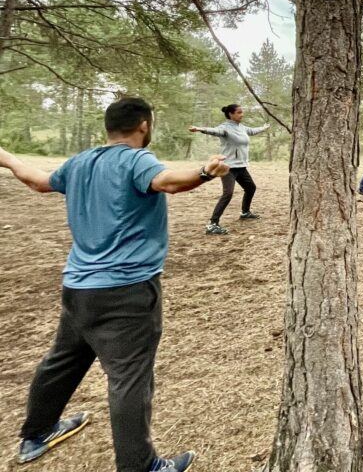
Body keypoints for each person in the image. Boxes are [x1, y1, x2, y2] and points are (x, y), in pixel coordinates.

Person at [0, 97, 230, 472]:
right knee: (129, 379)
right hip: (127, 292)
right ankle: (140, 467)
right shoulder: (137, 160)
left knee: (62, 362)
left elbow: (38, 182)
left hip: (78, 289)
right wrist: (204, 172)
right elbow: (167, 182)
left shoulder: (81, 161)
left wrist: (7, 157)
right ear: (144, 125)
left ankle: (35, 435)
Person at [188, 104, 269, 235]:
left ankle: (245, 212)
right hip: (229, 167)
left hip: (241, 166)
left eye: (242, 112)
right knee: (228, 194)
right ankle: (212, 224)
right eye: (239, 112)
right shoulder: (224, 128)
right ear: (231, 114)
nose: (242, 114)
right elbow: (214, 131)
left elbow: (253, 131)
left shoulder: (241, 127)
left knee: (250, 188)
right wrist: (199, 129)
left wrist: (264, 128)